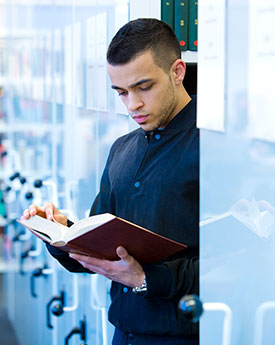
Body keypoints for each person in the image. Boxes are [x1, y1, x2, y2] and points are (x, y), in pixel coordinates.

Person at [22, 18, 199, 345]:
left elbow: (240, 264)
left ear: (177, 72)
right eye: (121, 92)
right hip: (123, 333)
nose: (133, 105)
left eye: (144, 87)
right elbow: (99, 253)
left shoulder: (213, 149)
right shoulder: (122, 150)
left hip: (183, 335)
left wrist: (148, 278)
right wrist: (61, 233)